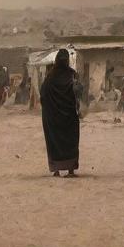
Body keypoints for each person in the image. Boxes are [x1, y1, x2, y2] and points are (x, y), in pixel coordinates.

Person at [40, 49, 82, 177]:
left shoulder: (50, 77)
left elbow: (43, 95)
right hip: (69, 117)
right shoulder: (72, 75)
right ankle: (70, 170)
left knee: (54, 141)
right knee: (71, 141)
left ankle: (56, 170)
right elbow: (79, 92)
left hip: (52, 117)